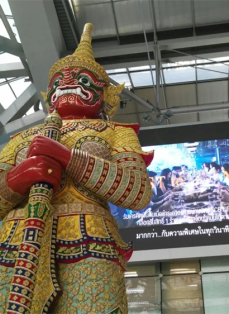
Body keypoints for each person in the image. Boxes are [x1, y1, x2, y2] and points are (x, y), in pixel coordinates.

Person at [0, 23, 153, 313]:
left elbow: (138, 192)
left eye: (83, 80)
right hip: (17, 243)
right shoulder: (22, 138)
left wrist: (69, 158)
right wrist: (18, 178)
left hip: (90, 245)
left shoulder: (118, 133)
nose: (68, 84)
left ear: (105, 95)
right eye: (58, 82)